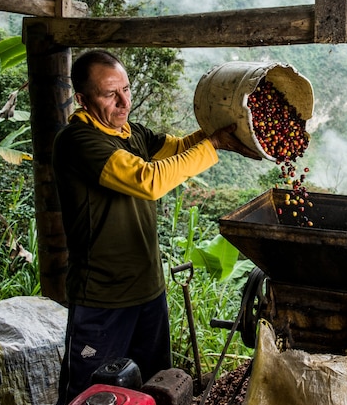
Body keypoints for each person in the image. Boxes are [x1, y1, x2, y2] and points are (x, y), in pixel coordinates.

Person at [52, 49, 259, 405]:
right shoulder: (78, 142)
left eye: (127, 90)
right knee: (92, 395)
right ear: (83, 100)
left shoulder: (132, 133)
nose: (123, 102)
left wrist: (222, 134)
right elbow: (149, 179)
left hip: (149, 291)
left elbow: (176, 148)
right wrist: (214, 144)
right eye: (109, 94)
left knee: (155, 386)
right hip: (103, 298)